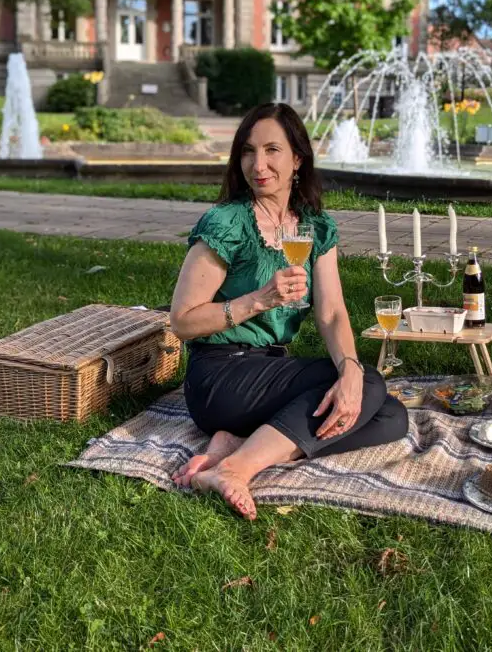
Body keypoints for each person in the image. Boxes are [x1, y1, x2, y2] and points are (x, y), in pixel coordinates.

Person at [170, 102, 408, 519]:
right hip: (220, 377)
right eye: (247, 151)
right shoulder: (226, 223)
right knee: (367, 385)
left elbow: (332, 312)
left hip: (269, 372)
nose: (257, 164)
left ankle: (237, 445)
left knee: (388, 414)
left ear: (298, 158)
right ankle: (233, 469)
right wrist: (257, 301)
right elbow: (183, 322)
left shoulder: (314, 227)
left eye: (271, 150)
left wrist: (349, 367)